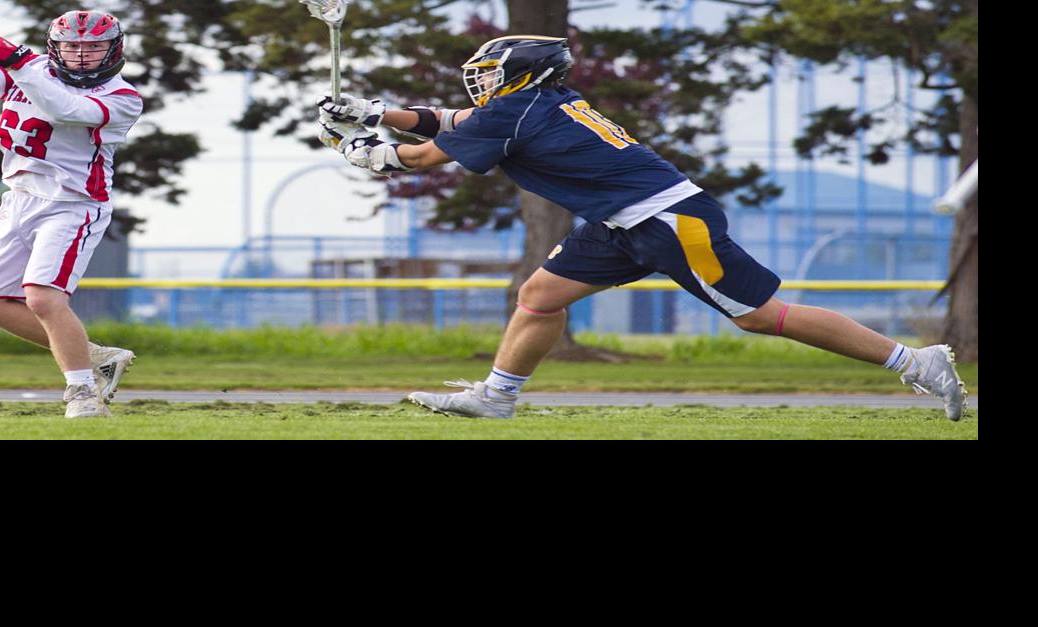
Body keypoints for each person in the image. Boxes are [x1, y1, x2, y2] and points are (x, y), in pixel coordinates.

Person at [316, 35, 968, 422]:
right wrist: (375, 111)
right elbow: (446, 121)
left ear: (517, 75)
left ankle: (917, 361)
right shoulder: (534, 103)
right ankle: (496, 397)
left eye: (489, 73)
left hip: (670, 221)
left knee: (756, 315)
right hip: (621, 222)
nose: (480, 83)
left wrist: (362, 147)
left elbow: (429, 151)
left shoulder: (515, 112)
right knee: (539, 297)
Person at [0, 2, 140, 418]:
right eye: (71, 47)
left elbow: (65, 109)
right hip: (17, 198)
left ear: (115, 49)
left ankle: (83, 394)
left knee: (42, 298)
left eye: (94, 47)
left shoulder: (122, 96)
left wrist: (18, 59)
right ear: (56, 47)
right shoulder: (33, 72)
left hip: (72, 205)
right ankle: (94, 357)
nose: (82, 56)